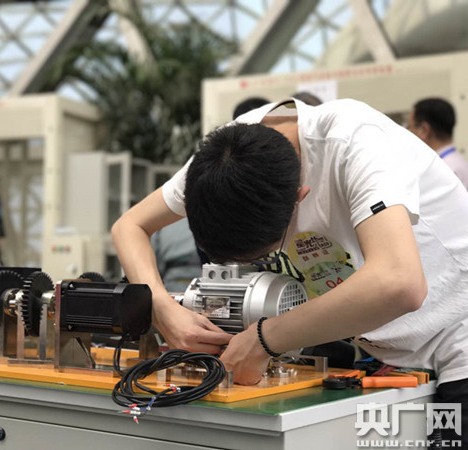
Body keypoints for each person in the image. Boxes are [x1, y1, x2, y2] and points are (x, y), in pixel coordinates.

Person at [112, 98, 468, 445]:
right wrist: (162, 308)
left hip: (455, 343)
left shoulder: (356, 141)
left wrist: (265, 339)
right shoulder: (226, 158)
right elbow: (130, 227)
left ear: (300, 197)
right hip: (385, 354)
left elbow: (400, 282)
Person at [406, 97, 468, 188]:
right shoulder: (458, 162)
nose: (407, 132)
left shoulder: (442, 171)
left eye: (409, 127)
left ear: (424, 130)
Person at [151, 218, 201, 292]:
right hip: (204, 277)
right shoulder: (205, 217)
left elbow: (153, 261)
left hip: (173, 279)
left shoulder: (159, 222)